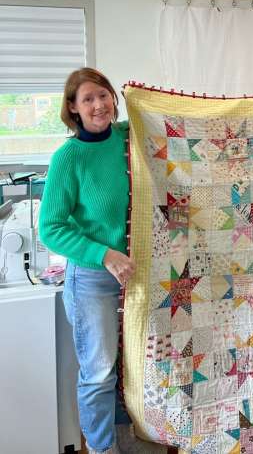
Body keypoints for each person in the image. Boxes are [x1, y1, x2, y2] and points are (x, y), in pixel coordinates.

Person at [39, 68, 135, 454]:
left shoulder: (130, 139)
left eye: (104, 95)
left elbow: (173, 124)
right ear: (73, 109)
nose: (98, 105)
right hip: (93, 279)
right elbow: (51, 228)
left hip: (136, 274)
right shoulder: (68, 158)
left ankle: (132, 439)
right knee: (99, 373)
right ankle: (100, 449)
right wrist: (104, 254)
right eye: (88, 99)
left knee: (138, 367)